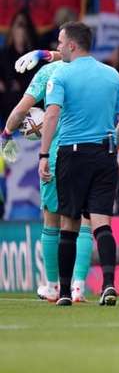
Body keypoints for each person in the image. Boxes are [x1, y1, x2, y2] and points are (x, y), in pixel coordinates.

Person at [38, 22, 119, 306]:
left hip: (71, 154)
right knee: (101, 222)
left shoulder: (61, 73)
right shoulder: (112, 74)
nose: (57, 47)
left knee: (70, 223)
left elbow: (52, 115)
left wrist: (44, 155)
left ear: (72, 45)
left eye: (60, 42)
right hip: (104, 155)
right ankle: (108, 285)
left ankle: (64, 292)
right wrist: (111, 145)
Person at [1, 52, 94, 303]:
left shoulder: (48, 73)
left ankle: (53, 286)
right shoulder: (96, 72)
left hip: (56, 154)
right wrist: (44, 54)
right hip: (89, 153)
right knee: (84, 222)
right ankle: (78, 287)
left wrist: (6, 133)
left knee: (52, 222)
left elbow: (21, 110)